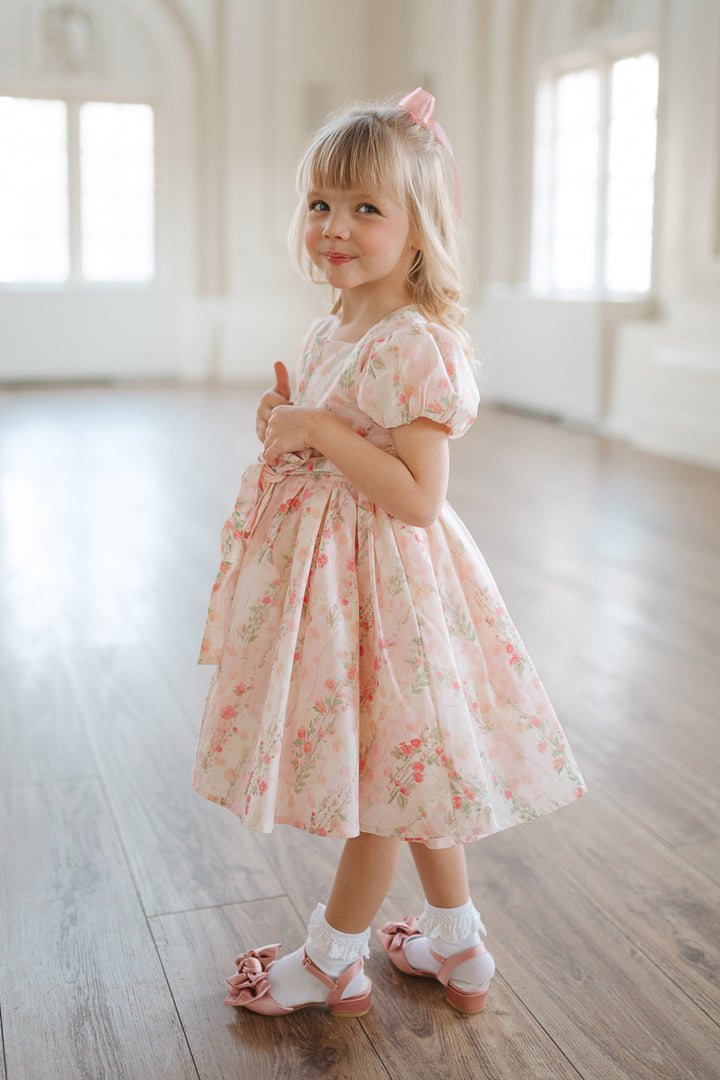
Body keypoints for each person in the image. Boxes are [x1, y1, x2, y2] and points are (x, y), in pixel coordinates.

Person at [192, 88, 586, 1018]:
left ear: (419, 232)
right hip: (337, 585)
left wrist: (321, 431)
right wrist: (291, 426)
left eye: (368, 208)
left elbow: (416, 496)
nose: (336, 226)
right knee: (407, 765)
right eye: (322, 203)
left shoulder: (416, 343)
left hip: (389, 585)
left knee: (378, 779)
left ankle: (332, 958)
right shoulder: (336, 325)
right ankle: (458, 944)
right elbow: (333, 432)